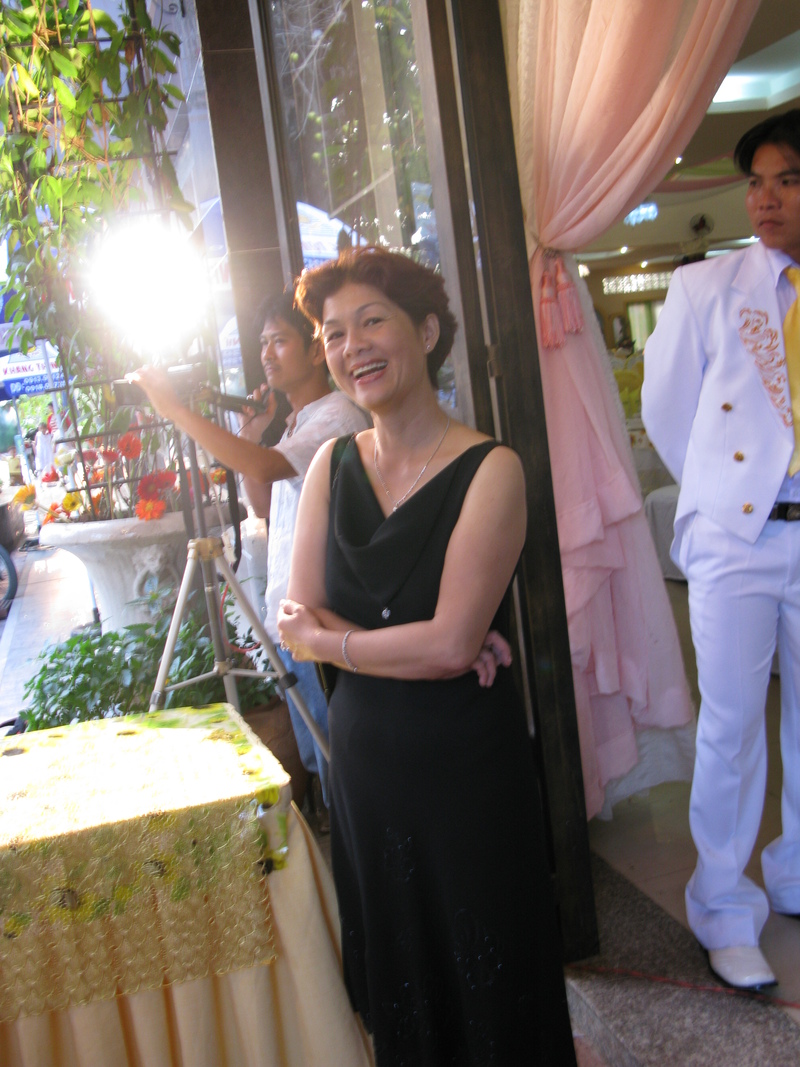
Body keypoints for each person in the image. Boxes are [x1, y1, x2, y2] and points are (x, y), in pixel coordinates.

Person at [277, 246, 576, 1064]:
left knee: (492, 983)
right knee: (404, 986)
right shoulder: (331, 466)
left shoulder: (491, 467)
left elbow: (444, 643)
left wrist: (340, 642)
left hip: (466, 772)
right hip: (367, 771)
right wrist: (417, 641)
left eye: (372, 321)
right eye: (334, 334)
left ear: (429, 330)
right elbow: (298, 612)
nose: (352, 346)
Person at [642, 109, 800, 991]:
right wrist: (727, 495)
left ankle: (797, 870)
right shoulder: (707, 286)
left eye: (789, 180)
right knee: (733, 725)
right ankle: (725, 906)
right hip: (738, 532)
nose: (766, 198)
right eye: (757, 182)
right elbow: (669, 411)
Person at [131, 292, 370, 816]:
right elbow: (263, 501)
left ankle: (356, 858)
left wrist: (175, 410)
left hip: (323, 616)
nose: (266, 354)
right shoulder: (298, 422)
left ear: (316, 351)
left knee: (341, 760)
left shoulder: (336, 416)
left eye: (279, 341)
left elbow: (263, 468)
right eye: (263, 343)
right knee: (320, 759)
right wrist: (252, 433)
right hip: (296, 615)